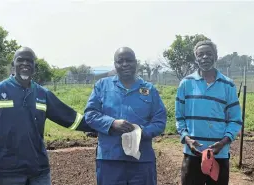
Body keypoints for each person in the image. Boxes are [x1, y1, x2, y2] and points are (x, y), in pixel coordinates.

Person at [0, 47, 87, 185]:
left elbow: (70, 118)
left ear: (34, 66)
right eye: (20, 60)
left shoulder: (42, 94)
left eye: (30, 61)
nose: (25, 63)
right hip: (6, 173)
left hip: (39, 172)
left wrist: (103, 125)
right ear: (13, 65)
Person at [84, 47, 167, 185]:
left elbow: (160, 121)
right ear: (115, 64)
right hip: (110, 159)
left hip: (142, 159)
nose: (124, 64)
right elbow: (90, 114)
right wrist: (112, 123)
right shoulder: (102, 86)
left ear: (136, 63)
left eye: (129, 60)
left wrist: (140, 132)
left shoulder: (149, 90)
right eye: (120, 61)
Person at [175, 40, 242, 185]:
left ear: (216, 56)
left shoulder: (228, 85)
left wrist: (223, 142)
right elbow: (179, 117)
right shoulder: (186, 83)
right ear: (196, 58)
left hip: (220, 154)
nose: (205, 57)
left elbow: (235, 120)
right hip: (192, 153)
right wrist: (187, 139)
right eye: (201, 54)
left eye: (209, 54)